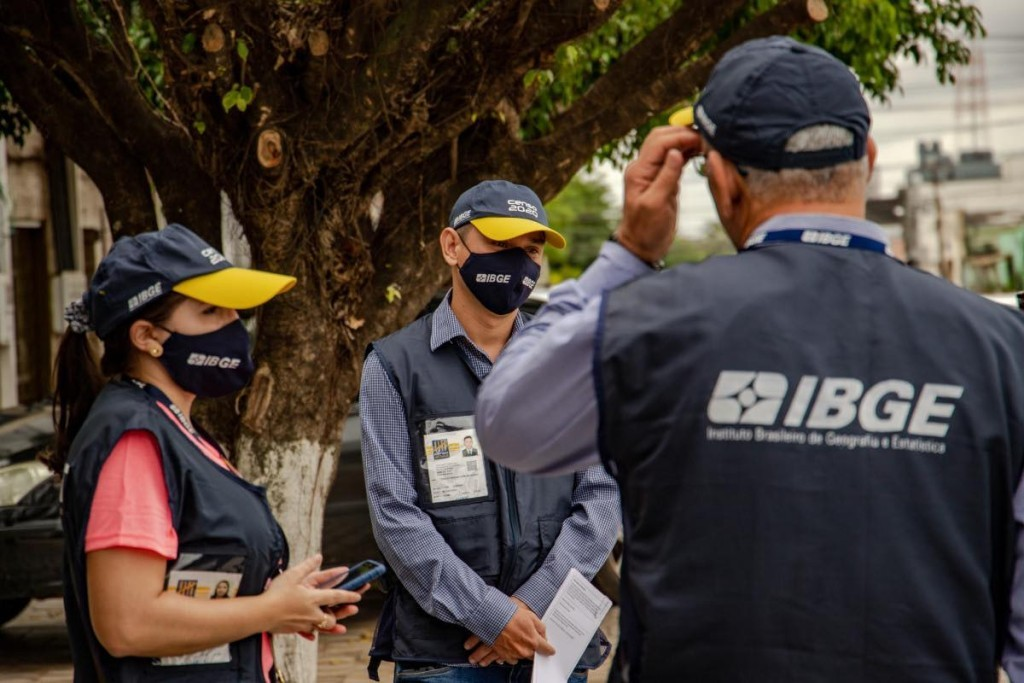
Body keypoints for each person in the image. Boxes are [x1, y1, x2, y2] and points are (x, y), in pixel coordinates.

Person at [476, 36, 1024, 682]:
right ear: (868, 160)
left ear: (723, 181)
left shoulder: (652, 323)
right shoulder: (1001, 348)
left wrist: (627, 252)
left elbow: (506, 418)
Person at [51, 223, 364, 682]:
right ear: (146, 336)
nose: (233, 327)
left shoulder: (174, 426)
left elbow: (192, 573)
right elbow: (127, 623)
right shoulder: (134, 436)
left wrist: (287, 599)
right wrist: (266, 610)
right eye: (210, 311)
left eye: (234, 311)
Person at [360, 180, 621, 682]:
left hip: (551, 647)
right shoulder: (395, 366)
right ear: (452, 246)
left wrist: (527, 608)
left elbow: (602, 495)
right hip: (444, 656)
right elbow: (395, 516)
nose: (519, 262)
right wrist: (492, 616)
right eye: (502, 245)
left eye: (531, 249)